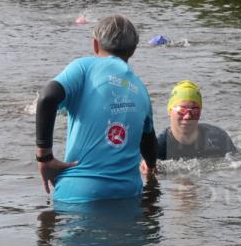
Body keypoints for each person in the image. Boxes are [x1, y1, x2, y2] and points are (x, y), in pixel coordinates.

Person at [35, 15, 157, 202]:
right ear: (132, 51)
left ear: (95, 44)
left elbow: (47, 97)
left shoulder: (84, 67)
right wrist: (150, 167)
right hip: (127, 195)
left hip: (77, 194)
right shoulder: (141, 88)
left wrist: (45, 157)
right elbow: (148, 142)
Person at [156, 80, 236, 160]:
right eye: (181, 110)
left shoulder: (218, 137)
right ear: (170, 111)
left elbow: (239, 162)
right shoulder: (158, 147)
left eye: (194, 110)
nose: (188, 116)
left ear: (200, 112)